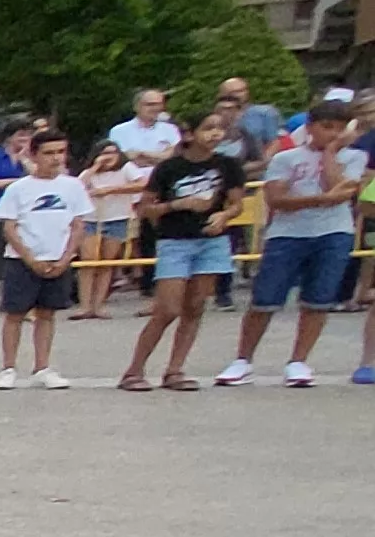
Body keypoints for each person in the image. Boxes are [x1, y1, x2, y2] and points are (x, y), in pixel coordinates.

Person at [219, 98, 366, 387]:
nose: (333, 134)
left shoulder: (354, 157)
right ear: (310, 127)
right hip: (288, 234)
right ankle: (243, 359)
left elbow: (338, 190)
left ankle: (299, 361)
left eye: (339, 129)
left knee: (318, 299)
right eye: (326, 127)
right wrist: (319, 199)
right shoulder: (286, 158)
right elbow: (276, 198)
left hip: (333, 232)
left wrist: (330, 154)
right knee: (265, 298)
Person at [120, 111, 243, 392]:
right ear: (190, 133)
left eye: (219, 128)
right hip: (175, 240)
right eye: (208, 128)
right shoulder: (169, 168)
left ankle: (175, 369)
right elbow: (145, 208)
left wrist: (224, 216)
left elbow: (236, 203)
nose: (215, 134)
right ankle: (134, 370)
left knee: (195, 306)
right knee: (168, 309)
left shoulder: (228, 165)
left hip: (211, 240)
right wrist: (178, 205)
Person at [0, 128, 90, 390]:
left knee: (47, 314)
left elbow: (78, 225)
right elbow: (9, 227)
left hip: (57, 258)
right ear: (34, 155)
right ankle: (8, 368)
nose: (56, 158)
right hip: (22, 260)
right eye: (49, 153)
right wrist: (30, 258)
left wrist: (66, 258)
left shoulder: (73, 186)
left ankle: (42, 367)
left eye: (60, 152)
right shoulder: (19, 188)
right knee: (15, 314)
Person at [75, 140, 148, 320]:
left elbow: (143, 183)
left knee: (107, 262)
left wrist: (111, 190)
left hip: (117, 218)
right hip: (91, 219)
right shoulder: (90, 171)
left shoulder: (126, 168)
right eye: (105, 152)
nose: (109, 156)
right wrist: (95, 167)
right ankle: (84, 306)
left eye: (113, 152)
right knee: (88, 261)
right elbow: (77, 187)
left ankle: (98, 306)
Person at [109, 89, 181, 174]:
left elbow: (174, 155)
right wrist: (160, 156)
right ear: (136, 107)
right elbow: (117, 159)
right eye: (150, 104)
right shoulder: (118, 131)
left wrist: (142, 154)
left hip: (164, 175)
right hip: (130, 179)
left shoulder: (171, 129)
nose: (156, 108)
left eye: (159, 104)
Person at [0, 121, 33, 217]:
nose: (26, 138)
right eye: (21, 135)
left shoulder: (34, 157)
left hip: (25, 204)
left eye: (28, 135)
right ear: (9, 138)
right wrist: (22, 181)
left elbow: (37, 176)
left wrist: (24, 159)